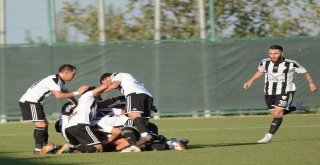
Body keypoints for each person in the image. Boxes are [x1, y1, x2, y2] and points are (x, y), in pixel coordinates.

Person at [243, 45, 317, 143]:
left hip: (285, 91)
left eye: (275, 53)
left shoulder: (291, 63)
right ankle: (297, 107)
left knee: (278, 113)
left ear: (282, 53)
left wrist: (311, 83)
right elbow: (261, 71)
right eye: (270, 53)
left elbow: (305, 72)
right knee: (275, 113)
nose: (272, 56)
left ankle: (268, 136)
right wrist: (250, 80)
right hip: (269, 92)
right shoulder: (265, 62)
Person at [19, 64, 88, 154]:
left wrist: (78, 105)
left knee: (45, 124)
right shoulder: (54, 80)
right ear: (66, 72)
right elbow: (58, 95)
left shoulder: (59, 81)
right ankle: (38, 149)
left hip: (35, 102)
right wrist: (78, 92)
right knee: (41, 125)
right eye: (73, 74)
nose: (74, 76)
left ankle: (45, 146)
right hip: (29, 101)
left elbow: (68, 94)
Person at [100, 72, 154, 147]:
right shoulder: (129, 79)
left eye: (105, 83)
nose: (105, 86)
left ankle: (145, 135)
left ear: (108, 78)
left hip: (134, 94)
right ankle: (149, 141)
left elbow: (113, 86)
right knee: (143, 121)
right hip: (147, 96)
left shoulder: (117, 75)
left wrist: (98, 91)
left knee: (133, 116)